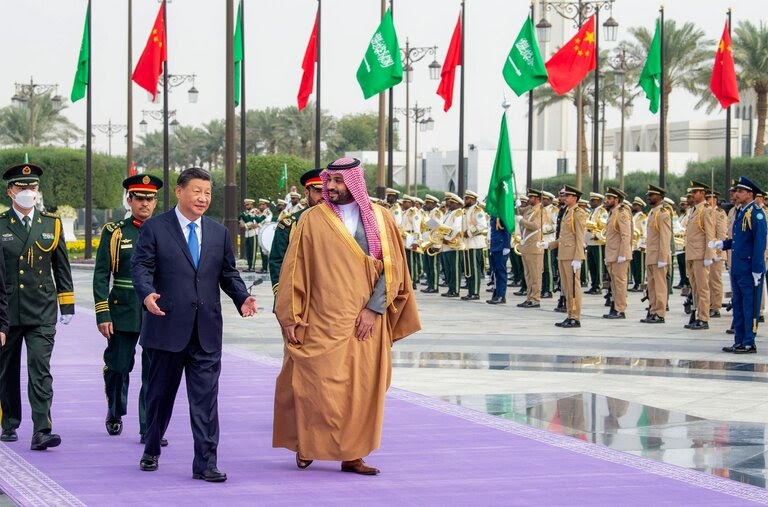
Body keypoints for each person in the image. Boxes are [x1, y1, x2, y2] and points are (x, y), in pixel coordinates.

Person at [273, 157, 420, 475]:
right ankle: (307, 445)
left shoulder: (381, 219)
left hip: (366, 322)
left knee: (361, 389)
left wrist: (373, 309)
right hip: (321, 318)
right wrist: (289, 316)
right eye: (330, 182)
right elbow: (294, 269)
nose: (332, 188)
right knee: (314, 384)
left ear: (355, 182)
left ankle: (353, 454)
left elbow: (393, 270)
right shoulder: (312, 219)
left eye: (339, 182)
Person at [132, 167, 258, 481]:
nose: (203, 198)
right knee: (160, 396)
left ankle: (205, 462)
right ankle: (151, 448)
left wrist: (242, 298)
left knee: (205, 400)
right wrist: (147, 294)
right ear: (179, 191)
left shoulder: (218, 233)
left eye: (207, 192)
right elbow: (142, 267)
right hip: (166, 327)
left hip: (206, 332)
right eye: (197, 191)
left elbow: (228, 274)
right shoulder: (156, 228)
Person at [0, 162, 72, 450]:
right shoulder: (1, 225)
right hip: (7, 310)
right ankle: (9, 421)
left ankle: (42, 429)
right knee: (6, 370)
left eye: (32, 187)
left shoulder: (51, 224)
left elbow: (62, 266)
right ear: (10, 191)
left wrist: (66, 305)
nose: (28, 191)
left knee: (39, 367)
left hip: (41, 309)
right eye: (22, 187)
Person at [93, 174, 167, 445]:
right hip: (122, 308)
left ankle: (148, 427)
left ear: (155, 202)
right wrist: (103, 313)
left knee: (153, 371)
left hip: (155, 310)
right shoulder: (116, 232)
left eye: (150, 199)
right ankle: (115, 410)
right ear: (130, 200)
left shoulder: (165, 230)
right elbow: (102, 274)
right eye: (140, 198)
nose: (145, 204)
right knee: (118, 367)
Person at [713, 177, 766, 353]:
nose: (736, 194)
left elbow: (759, 243)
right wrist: (724, 244)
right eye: (736, 191)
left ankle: (749, 342)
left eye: (740, 192)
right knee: (738, 304)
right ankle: (740, 340)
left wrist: (758, 269)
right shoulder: (741, 212)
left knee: (749, 305)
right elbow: (739, 240)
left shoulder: (756, 213)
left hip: (749, 268)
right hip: (737, 267)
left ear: (750, 194)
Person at [269, 168, 324, 298]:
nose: (323, 196)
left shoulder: (339, 222)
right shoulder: (289, 224)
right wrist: (282, 295)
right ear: (306, 192)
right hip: (299, 295)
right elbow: (277, 261)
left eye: (327, 191)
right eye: (318, 191)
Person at [539, 185, 586, 328]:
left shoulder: (578, 213)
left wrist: (578, 257)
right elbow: (565, 237)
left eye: (567, 196)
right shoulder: (567, 212)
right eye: (564, 196)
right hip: (563, 254)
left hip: (572, 255)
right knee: (566, 287)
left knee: (573, 287)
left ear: (574, 198)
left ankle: (575, 317)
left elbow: (579, 237)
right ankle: (569, 314)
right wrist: (549, 245)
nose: (564, 198)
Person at [683, 181, 716, 330]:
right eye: (691, 193)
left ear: (703, 193)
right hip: (692, 254)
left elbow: (710, 235)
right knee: (695, 287)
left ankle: (703, 318)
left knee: (702, 288)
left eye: (695, 192)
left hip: (701, 255)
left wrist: (709, 255)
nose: (692, 195)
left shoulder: (706, 210)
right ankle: (697, 315)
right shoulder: (694, 210)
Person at [640, 185, 672, 324]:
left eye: (652, 195)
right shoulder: (653, 213)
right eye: (649, 194)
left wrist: (663, 257)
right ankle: (653, 310)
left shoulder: (663, 213)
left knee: (659, 286)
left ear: (659, 197)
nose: (649, 197)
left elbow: (665, 237)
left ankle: (660, 313)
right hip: (651, 255)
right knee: (652, 286)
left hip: (659, 256)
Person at [603, 187, 632, 319]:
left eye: (609, 198)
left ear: (616, 199)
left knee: (620, 283)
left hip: (619, 255)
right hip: (612, 254)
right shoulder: (613, 212)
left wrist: (623, 254)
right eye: (606, 198)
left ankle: (620, 309)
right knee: (614, 283)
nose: (606, 201)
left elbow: (625, 235)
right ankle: (615, 307)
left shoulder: (621, 213)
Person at [518, 188, 544, 308]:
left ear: (537, 198)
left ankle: (535, 299)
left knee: (535, 275)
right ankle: (529, 297)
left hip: (535, 247)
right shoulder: (529, 209)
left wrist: (522, 221)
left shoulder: (541, 210)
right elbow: (517, 211)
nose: (529, 199)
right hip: (526, 247)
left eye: (531, 197)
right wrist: (514, 203)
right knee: (528, 275)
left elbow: (535, 225)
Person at [461, 190, 487, 301]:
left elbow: (482, 225)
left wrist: (470, 232)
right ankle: (470, 291)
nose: (465, 200)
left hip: (476, 242)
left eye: (467, 199)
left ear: (473, 199)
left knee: (474, 269)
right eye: (465, 198)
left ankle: (475, 292)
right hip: (467, 244)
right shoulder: (466, 211)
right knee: (469, 269)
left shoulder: (477, 210)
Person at [440, 193, 464, 298]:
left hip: (454, 245)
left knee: (454, 269)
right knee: (448, 269)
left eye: (451, 202)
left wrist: (447, 238)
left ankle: (455, 290)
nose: (448, 203)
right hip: (446, 245)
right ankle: (451, 288)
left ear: (457, 204)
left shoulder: (458, 213)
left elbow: (456, 228)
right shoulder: (448, 213)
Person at [707, 191, 727, 318]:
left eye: (709, 198)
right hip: (707, 253)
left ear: (715, 199)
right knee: (706, 281)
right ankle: (708, 304)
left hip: (716, 253)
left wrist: (718, 252)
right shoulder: (706, 212)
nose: (708, 201)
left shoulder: (719, 213)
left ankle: (716, 306)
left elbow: (721, 234)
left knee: (715, 281)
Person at [585, 193, 607, 295]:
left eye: (593, 200)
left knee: (598, 265)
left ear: (598, 201)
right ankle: (593, 285)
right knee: (592, 265)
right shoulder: (592, 212)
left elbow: (604, 225)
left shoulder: (602, 211)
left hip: (597, 242)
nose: (591, 202)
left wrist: (597, 234)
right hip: (589, 241)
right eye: (591, 200)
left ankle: (598, 286)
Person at [420, 195, 443, 294]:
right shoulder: (428, 213)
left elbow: (437, 228)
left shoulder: (437, 213)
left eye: (428, 203)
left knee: (433, 266)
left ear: (433, 204)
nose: (426, 205)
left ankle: (434, 286)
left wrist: (437, 245)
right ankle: (430, 285)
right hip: (427, 242)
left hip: (433, 243)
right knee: (428, 266)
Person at [487, 215, 511, 304]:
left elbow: (507, 230)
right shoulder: (495, 214)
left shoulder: (503, 214)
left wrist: (506, 246)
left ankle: (501, 295)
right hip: (494, 246)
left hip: (501, 246)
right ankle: (496, 294)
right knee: (495, 272)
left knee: (501, 272)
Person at [629, 197, 648, 292]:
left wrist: (643, 244)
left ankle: (640, 285)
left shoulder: (643, 217)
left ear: (640, 206)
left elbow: (645, 231)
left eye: (635, 205)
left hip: (640, 245)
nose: (633, 206)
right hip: (633, 245)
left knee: (640, 266)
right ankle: (636, 283)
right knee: (634, 266)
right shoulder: (634, 216)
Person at [238, 198, 258, 271]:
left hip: (253, 233)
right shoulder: (245, 213)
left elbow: (254, 223)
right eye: (246, 205)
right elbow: (241, 223)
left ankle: (252, 267)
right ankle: (249, 266)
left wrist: (246, 225)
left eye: (248, 204)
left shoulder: (255, 212)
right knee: (248, 251)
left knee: (253, 251)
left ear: (252, 205)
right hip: (247, 233)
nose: (247, 206)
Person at [254, 199, 273, 273]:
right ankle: (264, 267)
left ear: (265, 205)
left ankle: (266, 268)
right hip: (261, 232)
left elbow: (262, 220)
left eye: (262, 205)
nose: (260, 206)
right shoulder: (262, 212)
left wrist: (257, 223)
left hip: (266, 233)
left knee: (266, 251)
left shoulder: (267, 212)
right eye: (259, 205)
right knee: (262, 251)